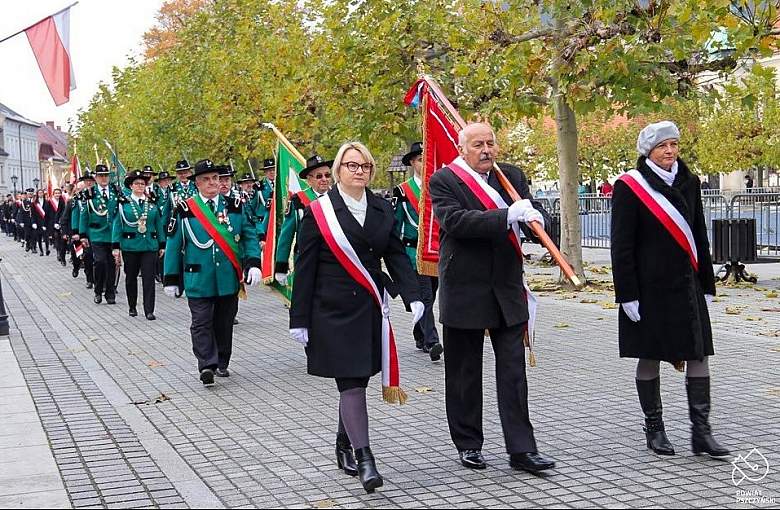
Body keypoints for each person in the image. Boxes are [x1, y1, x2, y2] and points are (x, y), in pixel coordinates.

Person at [289, 142, 423, 493]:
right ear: (338, 171)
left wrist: (413, 296)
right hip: (331, 310)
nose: (359, 170)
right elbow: (305, 268)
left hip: (369, 308)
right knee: (350, 384)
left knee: (358, 380)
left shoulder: (381, 208)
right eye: (351, 165)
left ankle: (343, 442)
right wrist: (298, 318)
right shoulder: (319, 212)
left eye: (364, 165)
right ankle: (366, 459)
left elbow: (394, 254)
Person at [428, 122, 555, 474]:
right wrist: (506, 215)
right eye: (478, 144)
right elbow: (456, 222)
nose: (487, 150)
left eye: (491, 143)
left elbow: (528, 219)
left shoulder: (510, 176)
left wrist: (534, 218)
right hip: (465, 287)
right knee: (464, 373)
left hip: (506, 287)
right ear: (462, 148)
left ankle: (522, 450)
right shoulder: (445, 181)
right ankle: (469, 444)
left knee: (514, 373)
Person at [611, 120, 730, 460]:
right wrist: (627, 294)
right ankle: (655, 430)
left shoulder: (689, 182)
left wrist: (706, 282)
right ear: (648, 151)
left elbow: (699, 234)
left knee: (699, 354)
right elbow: (621, 245)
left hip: (686, 285)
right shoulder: (629, 187)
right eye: (663, 146)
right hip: (648, 289)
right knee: (650, 356)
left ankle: (701, 433)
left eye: (674, 144)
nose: (670, 151)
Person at [163, 159, 262, 385]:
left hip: (227, 276)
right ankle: (207, 364)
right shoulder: (185, 209)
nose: (212, 183)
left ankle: (222, 361)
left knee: (224, 322)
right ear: (197, 183)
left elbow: (248, 236)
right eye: (206, 179)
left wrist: (254, 263)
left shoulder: (235, 206)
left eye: (215, 178)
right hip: (197, 276)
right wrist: (171, 277)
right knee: (201, 321)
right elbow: (174, 242)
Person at [392, 141, 443, 361]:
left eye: (427, 159)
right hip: (415, 253)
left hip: (438, 252)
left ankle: (419, 333)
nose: (425, 163)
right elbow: (396, 224)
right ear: (413, 163)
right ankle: (433, 342)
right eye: (421, 160)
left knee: (432, 293)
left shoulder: (440, 187)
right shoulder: (403, 191)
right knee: (426, 297)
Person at [113, 170, 166, 320]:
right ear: (131, 185)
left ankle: (149, 309)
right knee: (130, 277)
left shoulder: (152, 202)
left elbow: (158, 224)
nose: (140, 186)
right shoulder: (123, 203)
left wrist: (162, 244)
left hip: (149, 245)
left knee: (149, 278)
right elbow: (118, 225)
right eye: (137, 183)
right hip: (130, 245)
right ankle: (132, 306)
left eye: (143, 183)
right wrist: (115, 247)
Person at [274, 154, 333, 286]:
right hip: (307, 261)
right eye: (319, 176)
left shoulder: (339, 198)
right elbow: (286, 235)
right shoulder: (299, 200)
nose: (324, 179)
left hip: (334, 261)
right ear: (309, 180)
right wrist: (281, 266)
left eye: (327, 175)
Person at [79, 164, 119, 304]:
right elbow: (84, 214)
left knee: (111, 264)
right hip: (97, 233)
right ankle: (98, 290)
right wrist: (83, 234)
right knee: (100, 262)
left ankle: (110, 292)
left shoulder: (116, 190)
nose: (104, 178)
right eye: (101, 176)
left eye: (106, 175)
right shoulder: (89, 193)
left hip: (113, 234)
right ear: (95, 177)